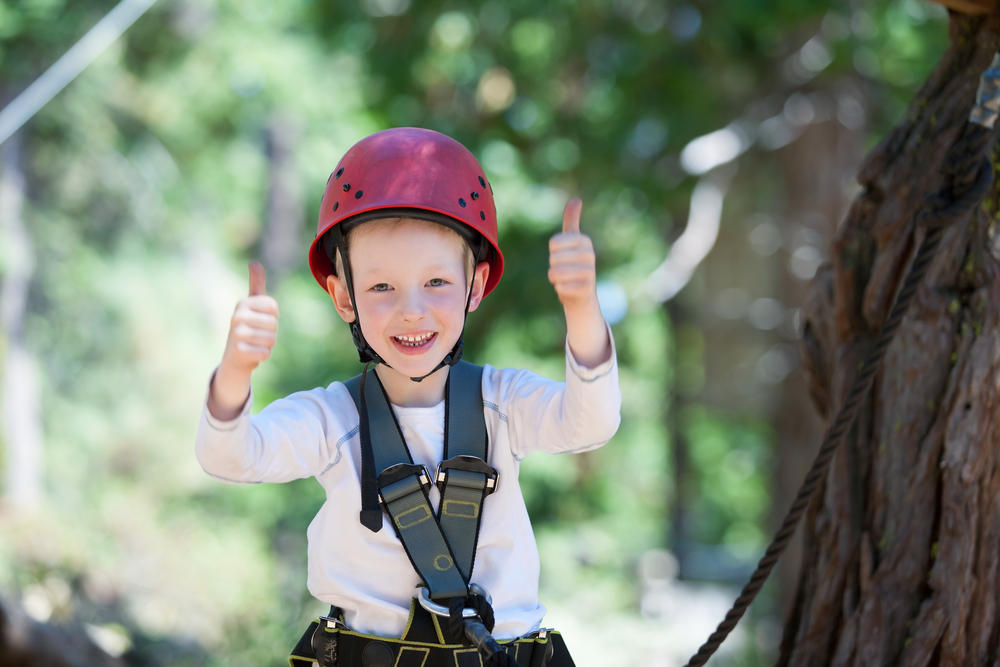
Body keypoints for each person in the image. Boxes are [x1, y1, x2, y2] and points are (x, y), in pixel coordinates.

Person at [195, 127, 621, 666]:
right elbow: (230, 456)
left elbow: (591, 422)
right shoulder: (331, 420)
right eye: (381, 287)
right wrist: (235, 372)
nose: (412, 310)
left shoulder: (503, 404)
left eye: (437, 283)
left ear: (476, 284)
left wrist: (582, 310)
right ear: (343, 295)